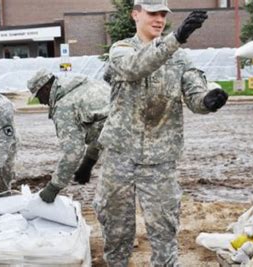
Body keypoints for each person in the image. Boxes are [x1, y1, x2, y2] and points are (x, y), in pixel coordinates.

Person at [94, 0, 228, 266]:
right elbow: (136, 67)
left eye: (163, 15)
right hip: (120, 155)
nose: (159, 19)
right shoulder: (121, 50)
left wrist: (208, 100)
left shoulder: (179, 58)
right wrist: (176, 38)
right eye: (152, 13)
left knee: (164, 227)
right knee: (116, 226)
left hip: (160, 159)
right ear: (135, 15)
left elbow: (194, 95)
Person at [27, 70, 110, 203]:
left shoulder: (64, 107)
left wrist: (53, 187)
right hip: (140, 130)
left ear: (46, 88)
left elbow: (73, 152)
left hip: (122, 144)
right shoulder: (85, 85)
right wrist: (89, 161)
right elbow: (100, 127)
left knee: (109, 203)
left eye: (38, 96)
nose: (41, 102)